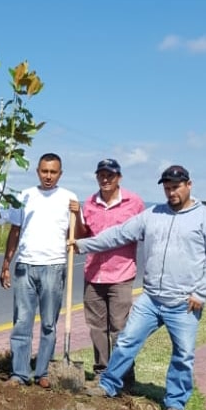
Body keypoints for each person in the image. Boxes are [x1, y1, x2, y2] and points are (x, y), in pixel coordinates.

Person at [80, 165, 206, 410]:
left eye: (176, 187)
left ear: (189, 185)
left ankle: (175, 403)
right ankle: (109, 385)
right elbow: (118, 235)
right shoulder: (153, 214)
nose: (171, 193)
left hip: (184, 302)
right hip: (151, 298)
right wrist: (83, 244)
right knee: (126, 341)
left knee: (183, 354)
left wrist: (201, 293)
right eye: (167, 188)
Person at [0, 153, 81, 387]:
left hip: (54, 267)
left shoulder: (69, 198)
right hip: (26, 265)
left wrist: (77, 214)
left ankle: (43, 372)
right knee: (22, 321)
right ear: (37, 171)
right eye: (44, 171)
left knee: (48, 323)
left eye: (53, 172)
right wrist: (6, 263)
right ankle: (19, 373)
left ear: (60, 174)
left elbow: (79, 234)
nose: (48, 176)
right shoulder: (25, 196)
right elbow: (14, 231)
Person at [76, 159, 145, 387]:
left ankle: (125, 372)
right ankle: (101, 371)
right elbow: (84, 234)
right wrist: (76, 218)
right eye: (101, 176)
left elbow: (142, 233)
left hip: (121, 274)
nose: (105, 180)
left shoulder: (133, 203)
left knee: (120, 328)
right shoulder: (89, 203)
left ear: (119, 178)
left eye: (110, 176)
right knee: (96, 327)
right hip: (94, 274)